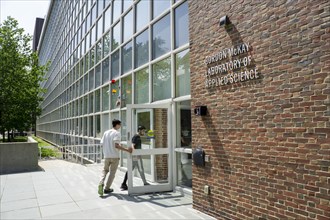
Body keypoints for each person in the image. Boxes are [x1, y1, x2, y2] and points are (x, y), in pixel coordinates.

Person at [98, 119, 132, 196]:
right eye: (120, 124)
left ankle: (101, 183)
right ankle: (107, 188)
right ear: (117, 125)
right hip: (114, 156)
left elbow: (102, 144)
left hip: (106, 156)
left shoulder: (106, 132)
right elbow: (116, 145)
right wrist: (127, 149)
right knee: (112, 173)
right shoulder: (117, 133)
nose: (120, 126)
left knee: (104, 171)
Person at [120, 125, 149, 190]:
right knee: (141, 169)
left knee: (130, 169)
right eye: (143, 131)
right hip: (136, 156)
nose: (144, 132)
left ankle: (124, 184)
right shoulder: (136, 136)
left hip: (136, 155)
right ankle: (145, 183)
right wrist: (135, 154)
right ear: (139, 130)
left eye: (144, 131)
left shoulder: (137, 136)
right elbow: (133, 145)